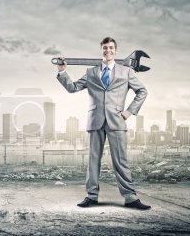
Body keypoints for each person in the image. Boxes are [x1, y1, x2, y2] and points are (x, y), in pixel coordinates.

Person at [56, 37, 151, 210]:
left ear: (116, 51)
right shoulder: (91, 72)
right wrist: (63, 72)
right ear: (101, 50)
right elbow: (73, 88)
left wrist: (129, 111)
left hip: (117, 121)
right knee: (93, 161)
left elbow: (142, 91)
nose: (108, 50)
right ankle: (91, 196)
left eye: (111, 48)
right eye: (105, 48)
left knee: (121, 161)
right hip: (95, 121)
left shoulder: (126, 72)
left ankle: (130, 198)